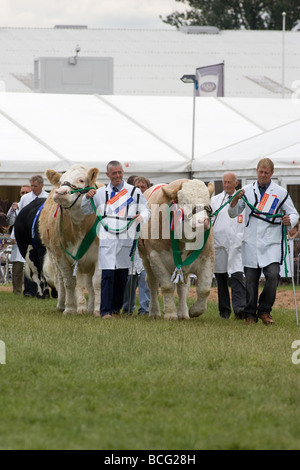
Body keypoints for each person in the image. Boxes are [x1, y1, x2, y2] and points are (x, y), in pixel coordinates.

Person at [229, 158, 299, 325]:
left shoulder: (280, 193)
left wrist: (291, 220)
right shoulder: (246, 190)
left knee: (273, 275)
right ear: (257, 171)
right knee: (251, 281)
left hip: (271, 243)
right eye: (261, 172)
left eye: (266, 173)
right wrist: (235, 199)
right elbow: (232, 212)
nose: (263, 175)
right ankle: (250, 314)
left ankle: (265, 310)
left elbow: (294, 213)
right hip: (251, 243)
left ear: (272, 173)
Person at [81, 161, 151, 319]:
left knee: (121, 276)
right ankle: (105, 311)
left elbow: (146, 209)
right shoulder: (100, 193)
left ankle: (115, 309)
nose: (118, 176)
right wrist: (87, 197)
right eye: (114, 173)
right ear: (108, 175)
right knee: (107, 275)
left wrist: (142, 216)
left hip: (126, 238)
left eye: (120, 172)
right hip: (107, 238)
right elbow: (86, 209)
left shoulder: (133, 192)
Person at [211, 172, 246, 319]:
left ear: (236, 183)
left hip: (237, 244)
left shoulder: (244, 199)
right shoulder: (215, 200)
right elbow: (209, 218)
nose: (226, 185)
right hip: (220, 244)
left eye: (229, 182)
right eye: (224, 182)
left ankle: (240, 309)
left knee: (237, 276)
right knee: (221, 279)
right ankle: (224, 312)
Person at [11, 176, 49, 297]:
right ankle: (29, 290)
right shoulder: (25, 198)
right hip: (28, 235)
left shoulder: (48, 198)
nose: (32, 188)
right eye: (31, 186)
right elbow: (19, 219)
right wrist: (15, 235)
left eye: (35, 186)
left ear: (42, 186)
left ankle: (45, 288)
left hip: (42, 235)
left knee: (43, 262)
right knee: (29, 262)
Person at [123, 176, 151, 315]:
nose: (140, 189)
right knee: (129, 279)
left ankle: (145, 308)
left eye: (143, 187)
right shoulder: (127, 201)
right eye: (137, 187)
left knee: (146, 278)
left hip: (147, 245)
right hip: (130, 244)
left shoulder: (152, 203)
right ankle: (127, 307)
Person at [7, 185, 31, 295]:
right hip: (16, 240)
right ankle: (16, 291)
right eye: (23, 192)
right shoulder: (16, 206)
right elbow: (10, 221)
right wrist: (13, 210)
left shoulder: (33, 205)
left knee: (30, 269)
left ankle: (30, 291)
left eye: (27, 192)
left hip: (29, 240)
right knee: (17, 270)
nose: (24, 194)